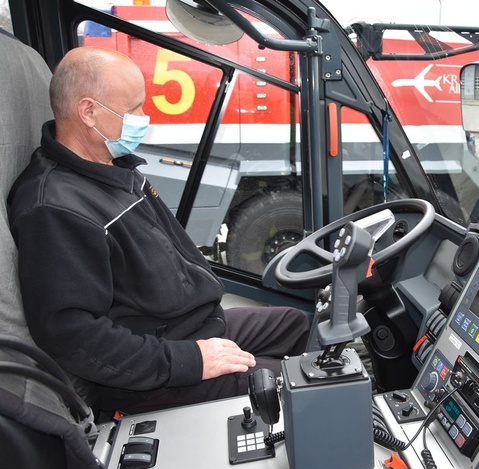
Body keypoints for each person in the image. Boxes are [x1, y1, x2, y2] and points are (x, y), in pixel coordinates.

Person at [7, 46, 310, 416]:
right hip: (148, 375)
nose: (143, 118)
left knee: (297, 325)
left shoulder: (112, 170)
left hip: (190, 327)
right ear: (88, 111)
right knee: (297, 383)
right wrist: (187, 361)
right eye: (133, 109)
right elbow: (74, 337)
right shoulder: (54, 209)